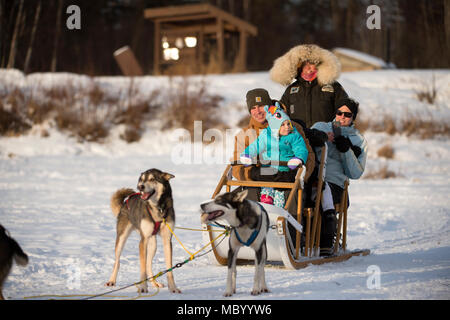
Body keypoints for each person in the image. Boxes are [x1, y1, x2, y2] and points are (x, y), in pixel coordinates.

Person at [310, 98, 368, 256]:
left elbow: (356, 173)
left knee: (322, 195)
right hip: (313, 178)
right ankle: (298, 239)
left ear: (353, 118)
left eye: (347, 114)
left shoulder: (358, 139)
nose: (342, 117)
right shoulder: (320, 127)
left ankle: (326, 240)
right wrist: (319, 137)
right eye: (339, 113)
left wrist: (347, 151)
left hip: (335, 184)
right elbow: (305, 143)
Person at [240, 103, 309, 208]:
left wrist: (298, 158)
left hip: (284, 170)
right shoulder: (266, 136)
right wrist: (247, 155)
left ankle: (278, 212)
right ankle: (266, 205)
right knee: (266, 190)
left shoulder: (293, 135)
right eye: (282, 125)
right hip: (268, 170)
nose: (287, 127)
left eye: (288, 123)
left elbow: (301, 148)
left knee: (280, 195)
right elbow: (256, 146)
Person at [269, 44, 350, 129]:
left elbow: (346, 111)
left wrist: (336, 132)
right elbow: (281, 112)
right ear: (298, 67)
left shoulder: (333, 86)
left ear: (318, 64)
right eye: (303, 64)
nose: (307, 67)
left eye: (311, 63)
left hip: (327, 138)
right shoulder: (291, 90)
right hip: (301, 139)